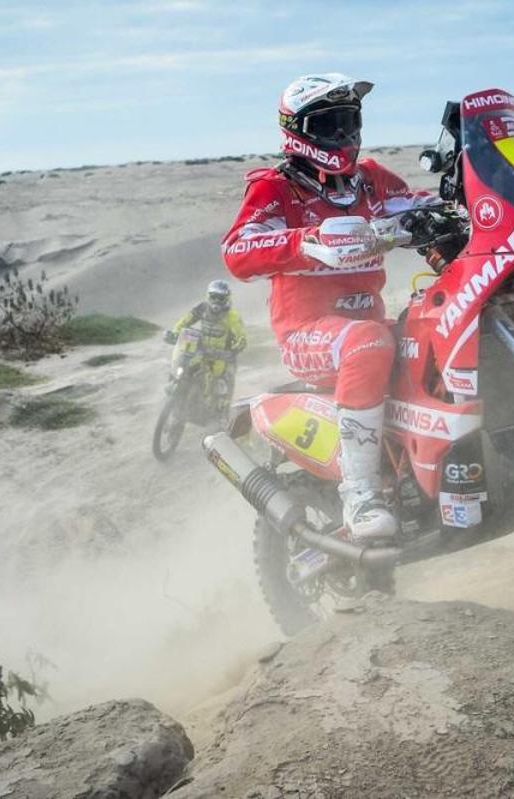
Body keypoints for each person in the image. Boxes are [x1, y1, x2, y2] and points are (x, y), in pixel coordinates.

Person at [220, 73, 437, 542]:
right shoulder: (276, 189)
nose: (341, 133)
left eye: (347, 120)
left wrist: (466, 202)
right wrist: (305, 242)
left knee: (434, 328)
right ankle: (361, 495)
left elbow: (418, 204)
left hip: (368, 323)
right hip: (306, 333)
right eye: (327, 124)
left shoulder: (371, 180)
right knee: (368, 342)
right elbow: (237, 250)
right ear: (296, 130)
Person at [164, 280, 247, 424]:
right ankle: (176, 394)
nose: (216, 301)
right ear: (208, 296)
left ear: (227, 298)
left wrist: (236, 348)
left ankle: (221, 416)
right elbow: (185, 321)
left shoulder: (232, 316)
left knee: (222, 383)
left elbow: (241, 336)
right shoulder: (201, 308)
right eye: (214, 296)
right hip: (200, 349)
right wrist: (175, 333)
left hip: (222, 356)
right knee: (183, 368)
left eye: (221, 298)